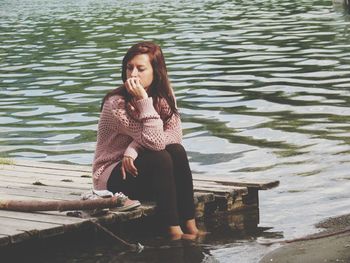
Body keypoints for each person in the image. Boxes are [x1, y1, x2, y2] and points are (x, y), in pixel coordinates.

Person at [92, 41, 199, 240]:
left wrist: (132, 148)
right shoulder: (116, 104)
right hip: (112, 175)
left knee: (176, 151)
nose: (133, 75)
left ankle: (191, 227)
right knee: (161, 157)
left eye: (140, 69)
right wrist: (143, 100)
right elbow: (156, 143)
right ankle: (174, 231)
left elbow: (174, 136)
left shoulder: (165, 95)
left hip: (140, 167)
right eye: (129, 68)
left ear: (156, 72)